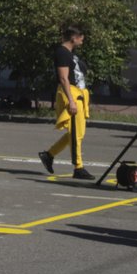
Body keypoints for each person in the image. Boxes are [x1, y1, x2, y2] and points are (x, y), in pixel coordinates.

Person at [38, 26, 92, 180]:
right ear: (73, 38)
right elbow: (63, 78)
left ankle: (49, 155)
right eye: (81, 36)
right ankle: (78, 167)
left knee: (76, 132)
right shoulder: (62, 52)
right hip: (71, 94)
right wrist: (71, 100)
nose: (83, 39)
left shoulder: (70, 53)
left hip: (78, 93)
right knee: (76, 133)